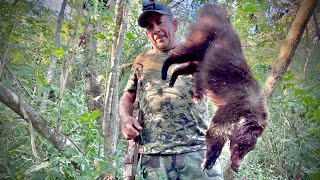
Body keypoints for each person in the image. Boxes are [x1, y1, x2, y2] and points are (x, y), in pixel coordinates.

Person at [119, 2, 223, 179]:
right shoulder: (141, 61)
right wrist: (126, 118)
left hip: (196, 154)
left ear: (174, 25)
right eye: (150, 26)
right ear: (147, 34)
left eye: (160, 22)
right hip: (154, 160)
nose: (156, 29)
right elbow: (128, 97)